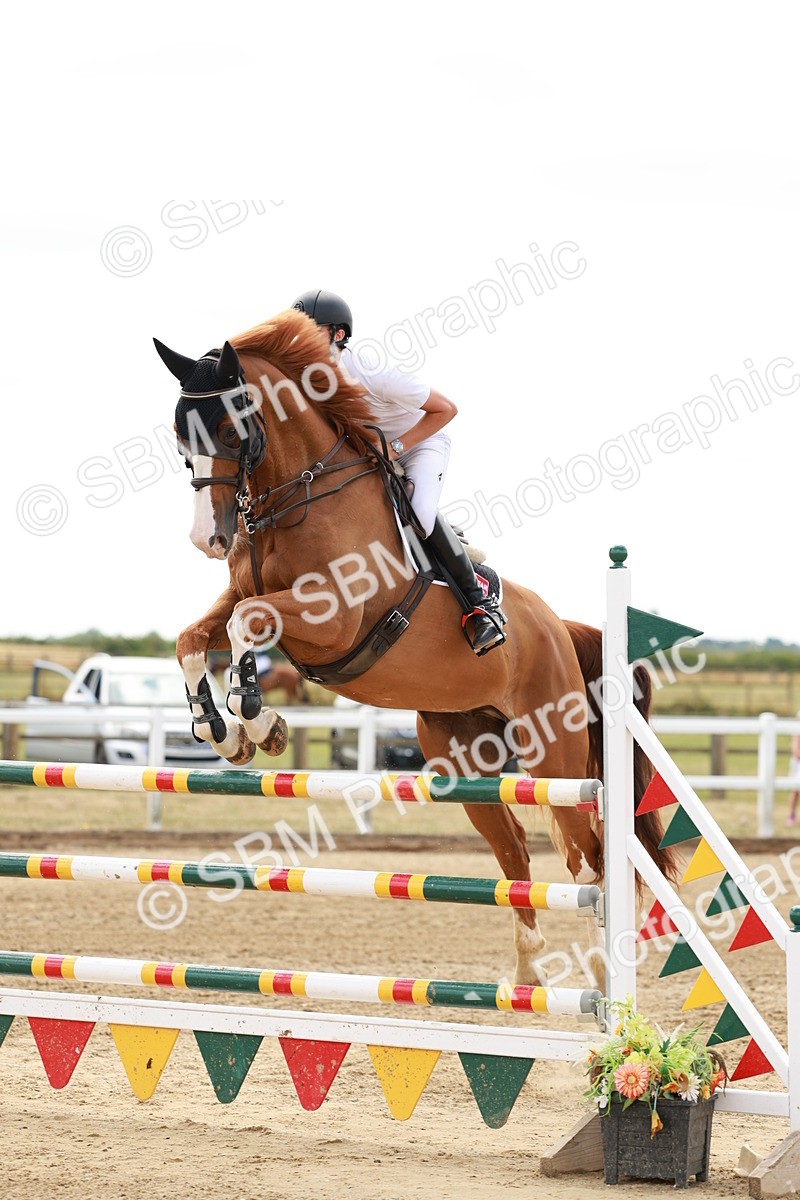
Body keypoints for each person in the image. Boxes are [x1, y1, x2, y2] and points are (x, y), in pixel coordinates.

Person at [292, 288, 506, 655]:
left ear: (338, 334)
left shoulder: (371, 371)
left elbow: (446, 409)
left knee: (419, 513)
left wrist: (397, 448)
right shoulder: (306, 377)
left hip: (421, 443)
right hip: (372, 452)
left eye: (312, 330)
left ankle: (481, 604)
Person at [788, 710, 800, 825]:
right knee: (795, 790)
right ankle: (791, 814)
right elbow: (796, 752)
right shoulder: (796, 730)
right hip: (798, 764)